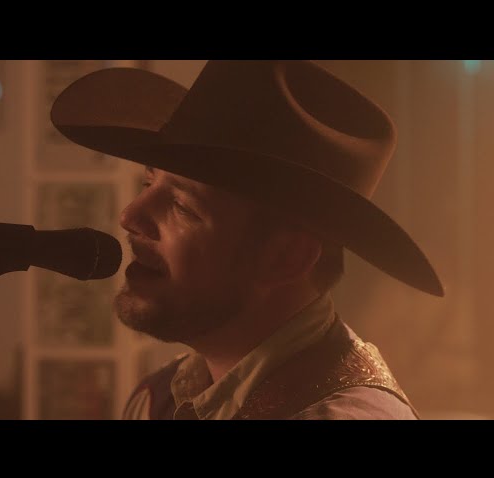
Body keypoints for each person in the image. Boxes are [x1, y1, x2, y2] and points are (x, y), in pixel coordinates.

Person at [50, 60, 445, 420]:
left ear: (286, 256)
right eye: (148, 183)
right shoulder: (157, 400)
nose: (130, 216)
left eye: (183, 206)